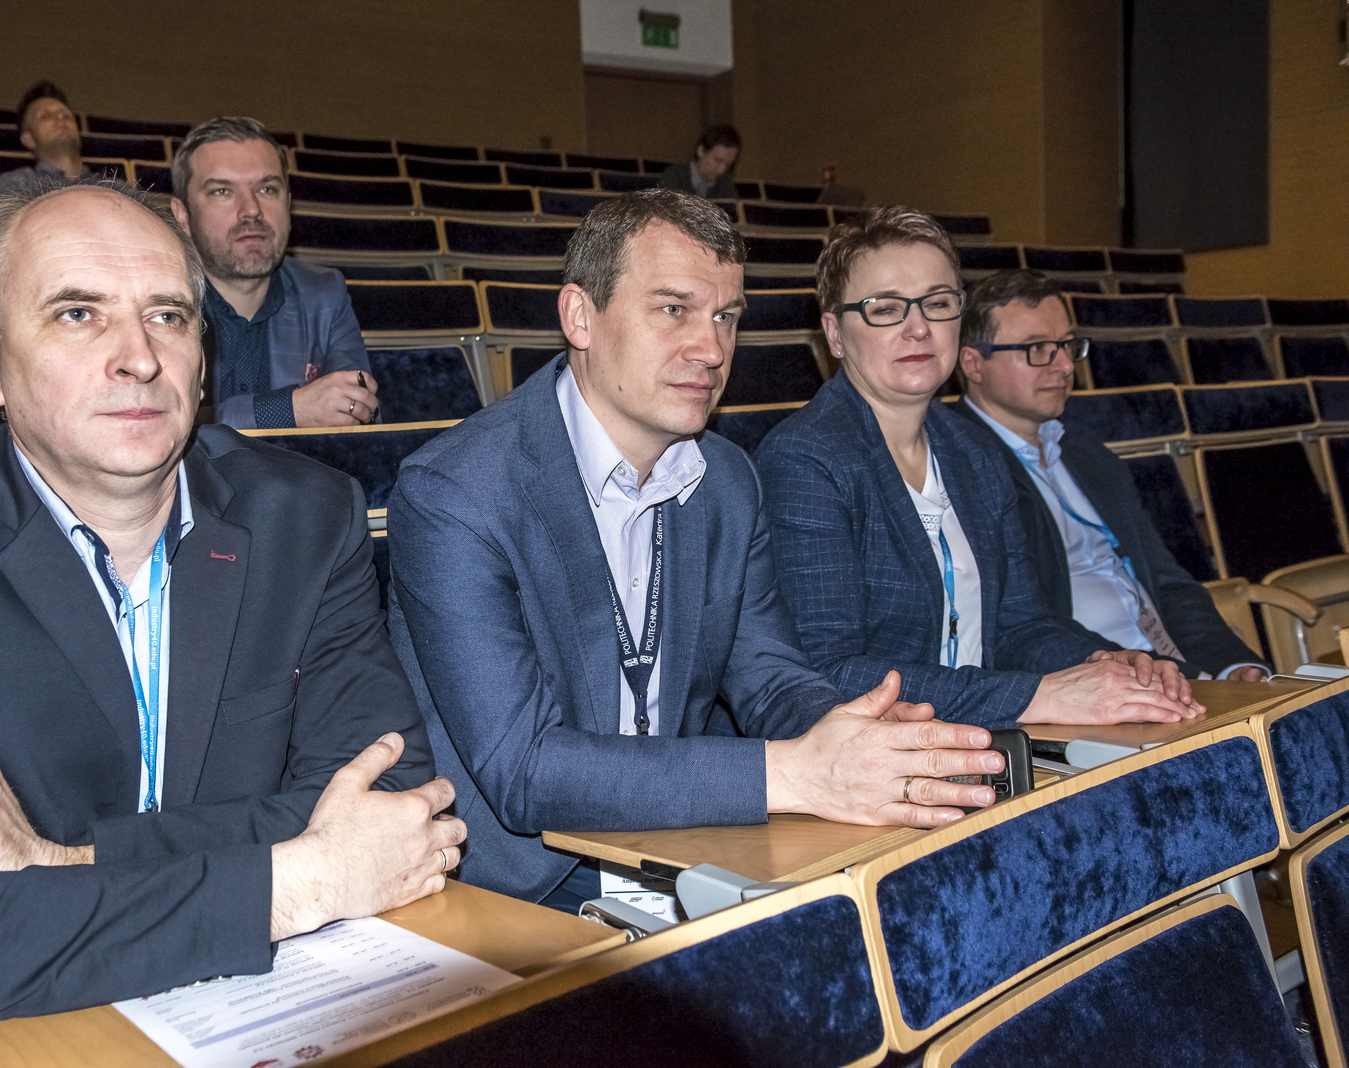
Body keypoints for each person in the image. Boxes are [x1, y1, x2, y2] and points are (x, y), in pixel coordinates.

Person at [0, 179, 463, 1066]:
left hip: (255, 1011)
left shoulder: (305, 516)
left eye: (168, 317)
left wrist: (52, 864)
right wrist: (294, 882)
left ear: (202, 359)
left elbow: (391, 811)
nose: (138, 358)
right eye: (78, 314)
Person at [386, 189, 1004, 909]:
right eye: (673, 309)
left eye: (725, 317)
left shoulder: (727, 481)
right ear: (580, 316)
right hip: (515, 887)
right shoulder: (456, 493)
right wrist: (798, 773)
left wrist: (853, 734)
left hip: (683, 843)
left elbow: (770, 680)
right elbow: (527, 771)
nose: (711, 351)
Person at [754, 207, 1201, 727]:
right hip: (873, 754)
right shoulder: (804, 459)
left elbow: (1020, 626)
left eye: (938, 304)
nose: (919, 328)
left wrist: (1105, 664)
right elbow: (828, 670)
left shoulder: (974, 450)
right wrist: (1037, 697)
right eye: (886, 309)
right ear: (834, 334)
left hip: (981, 734)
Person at [955, 269, 1269, 680]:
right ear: (973, 363)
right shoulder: (957, 465)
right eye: (1038, 348)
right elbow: (1020, 623)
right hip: (1084, 679)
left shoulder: (1090, 454)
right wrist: (1155, 674)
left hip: (1168, 670)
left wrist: (1232, 666)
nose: (1064, 365)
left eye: (1067, 346)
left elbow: (1169, 584)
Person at [170, 116, 377, 429]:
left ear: (288, 205)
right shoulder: (156, 298)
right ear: (182, 215)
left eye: (267, 189)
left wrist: (351, 408)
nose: (251, 210)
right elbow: (154, 421)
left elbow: (363, 419)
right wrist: (285, 410)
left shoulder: (324, 293)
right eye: (222, 191)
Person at [0, 81, 91, 194]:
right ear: (28, 140)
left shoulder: (107, 182)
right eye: (46, 116)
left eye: (66, 115)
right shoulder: (15, 183)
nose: (60, 118)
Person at [657, 124, 740, 201]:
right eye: (717, 160)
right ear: (701, 151)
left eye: (728, 164)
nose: (722, 170)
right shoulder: (673, 176)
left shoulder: (725, 184)